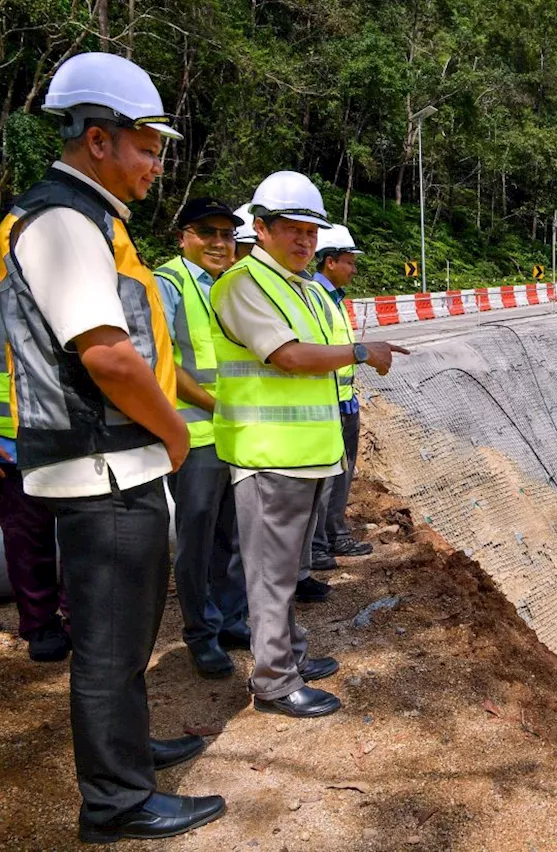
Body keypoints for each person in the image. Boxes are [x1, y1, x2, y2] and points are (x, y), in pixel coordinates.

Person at [0, 52, 224, 842]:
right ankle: (116, 802)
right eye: (146, 148)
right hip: (104, 464)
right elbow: (106, 353)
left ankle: (128, 756)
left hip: (107, 462)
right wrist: (171, 429)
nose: (157, 165)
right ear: (98, 140)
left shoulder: (87, 219)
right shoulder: (63, 223)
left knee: (124, 638)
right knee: (107, 646)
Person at [209, 170, 408, 718]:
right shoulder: (243, 285)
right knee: (270, 577)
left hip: (309, 455)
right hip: (269, 456)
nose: (303, 240)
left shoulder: (299, 287)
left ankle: (289, 656)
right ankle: (273, 681)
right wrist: (363, 352)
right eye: (291, 229)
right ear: (262, 228)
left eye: (311, 232)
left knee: (287, 572)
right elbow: (290, 357)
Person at [153, 198, 251, 678]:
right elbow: (163, 363)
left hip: (236, 434)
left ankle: (231, 618)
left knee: (231, 534)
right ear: (184, 237)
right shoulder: (168, 283)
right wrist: (220, 407)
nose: (219, 243)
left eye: (227, 235)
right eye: (207, 233)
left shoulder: (230, 286)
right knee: (196, 536)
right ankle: (201, 633)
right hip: (195, 436)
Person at [309, 224, 373, 571]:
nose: (353, 269)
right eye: (349, 262)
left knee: (342, 473)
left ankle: (335, 534)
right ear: (330, 262)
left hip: (345, 400)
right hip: (328, 402)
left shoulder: (334, 299)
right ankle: (318, 546)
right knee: (325, 477)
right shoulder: (315, 297)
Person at [0, 348, 67, 662]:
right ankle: (40, 624)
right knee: (25, 541)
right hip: (9, 446)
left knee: (80, 535)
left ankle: (79, 617)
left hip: (65, 438)